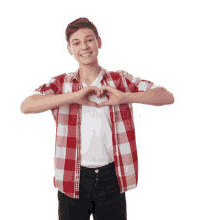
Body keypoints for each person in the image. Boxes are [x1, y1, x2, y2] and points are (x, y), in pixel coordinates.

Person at [21, 17, 174, 220]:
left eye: (89, 39)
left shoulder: (119, 80)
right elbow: (27, 105)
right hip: (72, 178)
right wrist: (75, 97)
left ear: (99, 42)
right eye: (76, 43)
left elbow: (166, 96)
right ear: (69, 49)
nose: (84, 47)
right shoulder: (60, 84)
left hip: (112, 176)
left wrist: (125, 97)